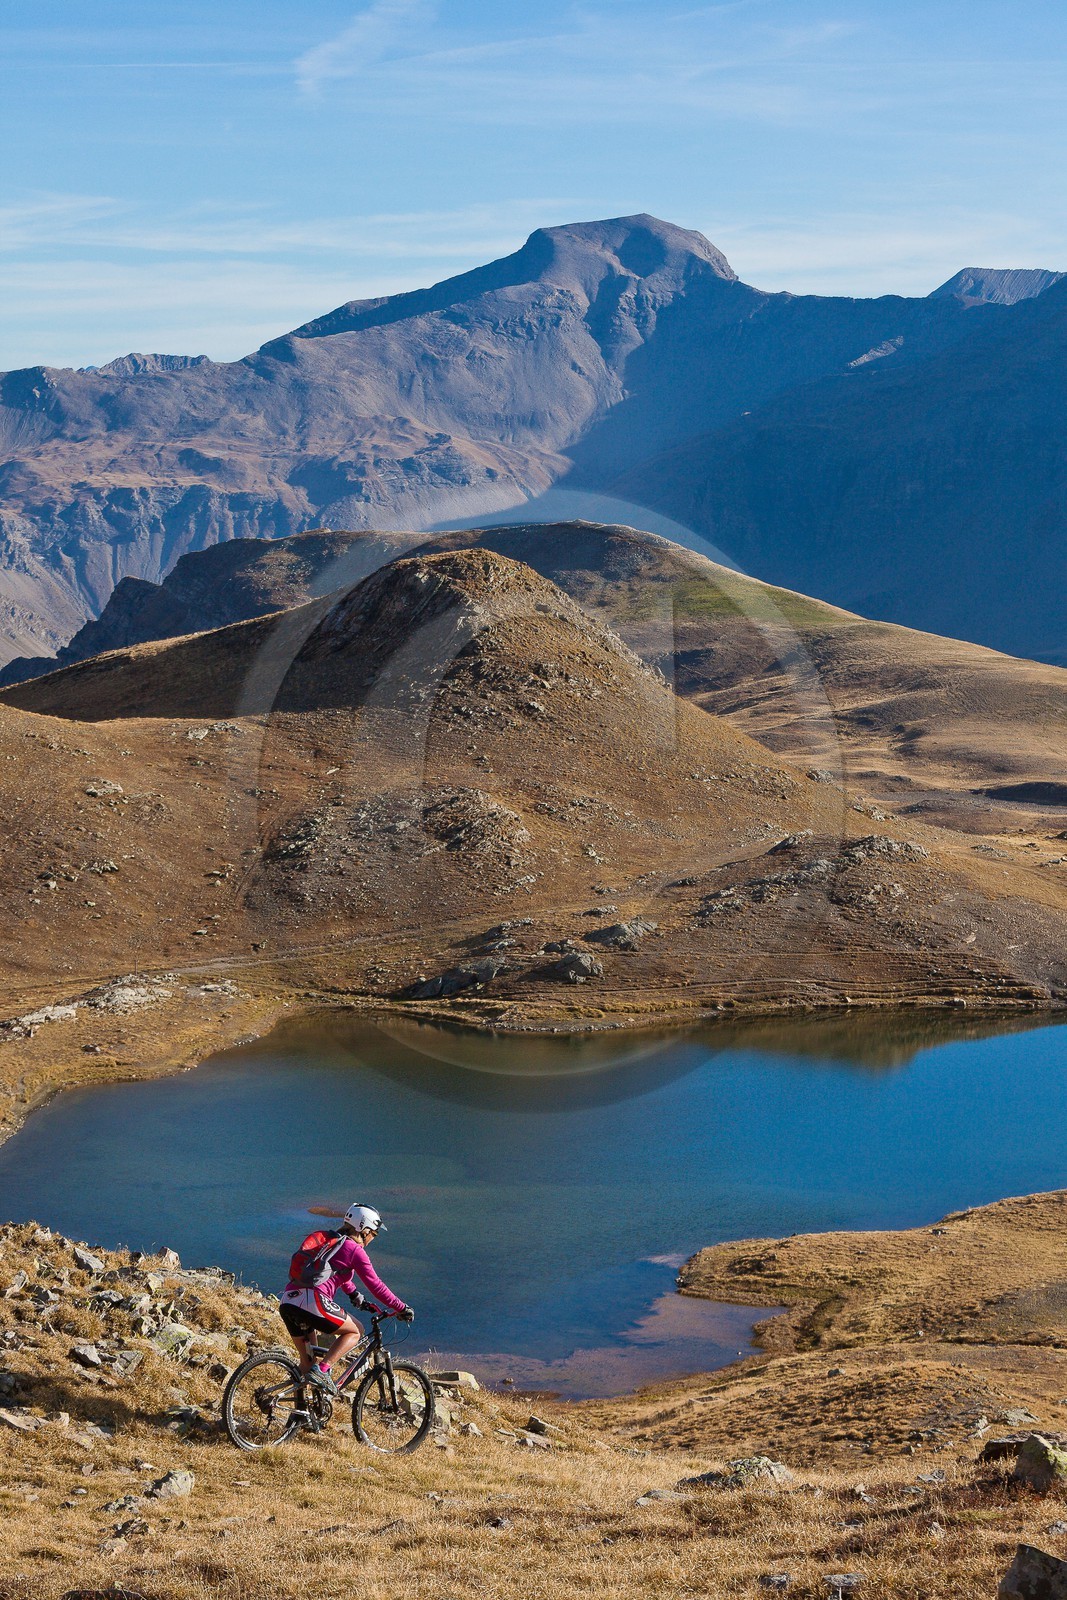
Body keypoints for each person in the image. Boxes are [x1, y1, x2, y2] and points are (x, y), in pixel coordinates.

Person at [278, 1202, 414, 1396]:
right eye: (374, 1234)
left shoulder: (333, 1241)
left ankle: (288, 1407)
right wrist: (401, 1307)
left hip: (289, 1300)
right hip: (312, 1301)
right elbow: (376, 1285)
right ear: (364, 1230)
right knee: (356, 1331)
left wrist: (355, 1295)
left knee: (307, 1365)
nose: (373, 1238)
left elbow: (336, 1273)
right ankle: (324, 1369)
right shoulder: (355, 1250)